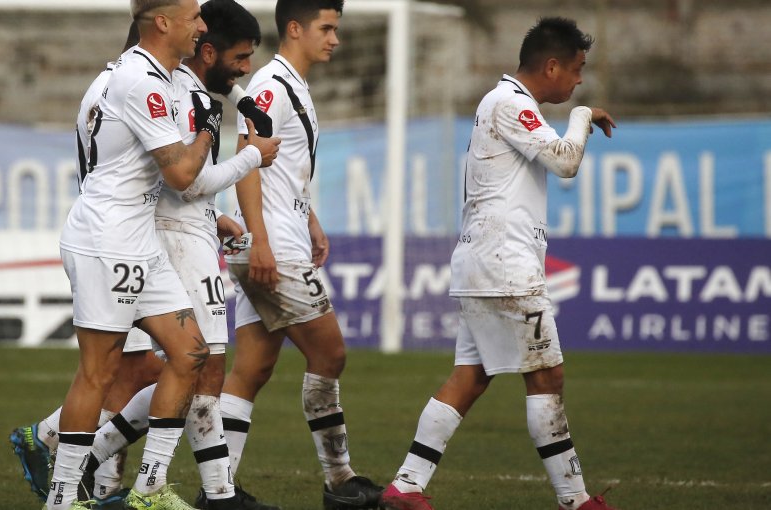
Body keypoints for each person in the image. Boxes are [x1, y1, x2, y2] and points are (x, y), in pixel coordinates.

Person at [379, 17, 618, 510]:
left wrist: (577, 114)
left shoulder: (505, 104)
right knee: (546, 377)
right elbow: (565, 161)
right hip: (505, 267)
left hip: (482, 264)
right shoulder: (510, 103)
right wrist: (581, 115)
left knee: (470, 375)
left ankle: (405, 487)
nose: (578, 80)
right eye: (576, 70)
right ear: (551, 65)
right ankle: (575, 500)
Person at [74, 1, 282, 509]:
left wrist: (214, 216)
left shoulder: (146, 81)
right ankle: (197, 490)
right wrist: (251, 156)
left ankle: (103, 468)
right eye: (238, 57)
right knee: (186, 366)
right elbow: (181, 178)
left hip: (172, 231)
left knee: (182, 363)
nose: (244, 68)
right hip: (160, 234)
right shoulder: (158, 87)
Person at [45, 0, 222, 508]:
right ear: (163, 22)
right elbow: (182, 175)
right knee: (98, 374)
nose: (203, 26)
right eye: (194, 17)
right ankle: (61, 498)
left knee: (190, 352)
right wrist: (208, 127)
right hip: (106, 241)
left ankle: (148, 489)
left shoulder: (155, 75)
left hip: (138, 239)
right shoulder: (139, 82)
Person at [218, 1, 383, 509]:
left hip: (279, 235)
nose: (335, 38)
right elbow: (247, 162)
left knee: (252, 367)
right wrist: (262, 239)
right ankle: (339, 481)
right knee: (329, 353)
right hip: (272, 246)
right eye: (326, 28)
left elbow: (281, 168)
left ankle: (217, 489)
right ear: (295, 28)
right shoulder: (271, 86)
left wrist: (308, 215)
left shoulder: (293, 86)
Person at [9, 21, 166, 506]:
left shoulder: (105, 85)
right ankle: (57, 444)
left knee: (136, 368)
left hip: (131, 238)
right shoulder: (134, 89)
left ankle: (94, 478)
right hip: (121, 241)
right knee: (128, 370)